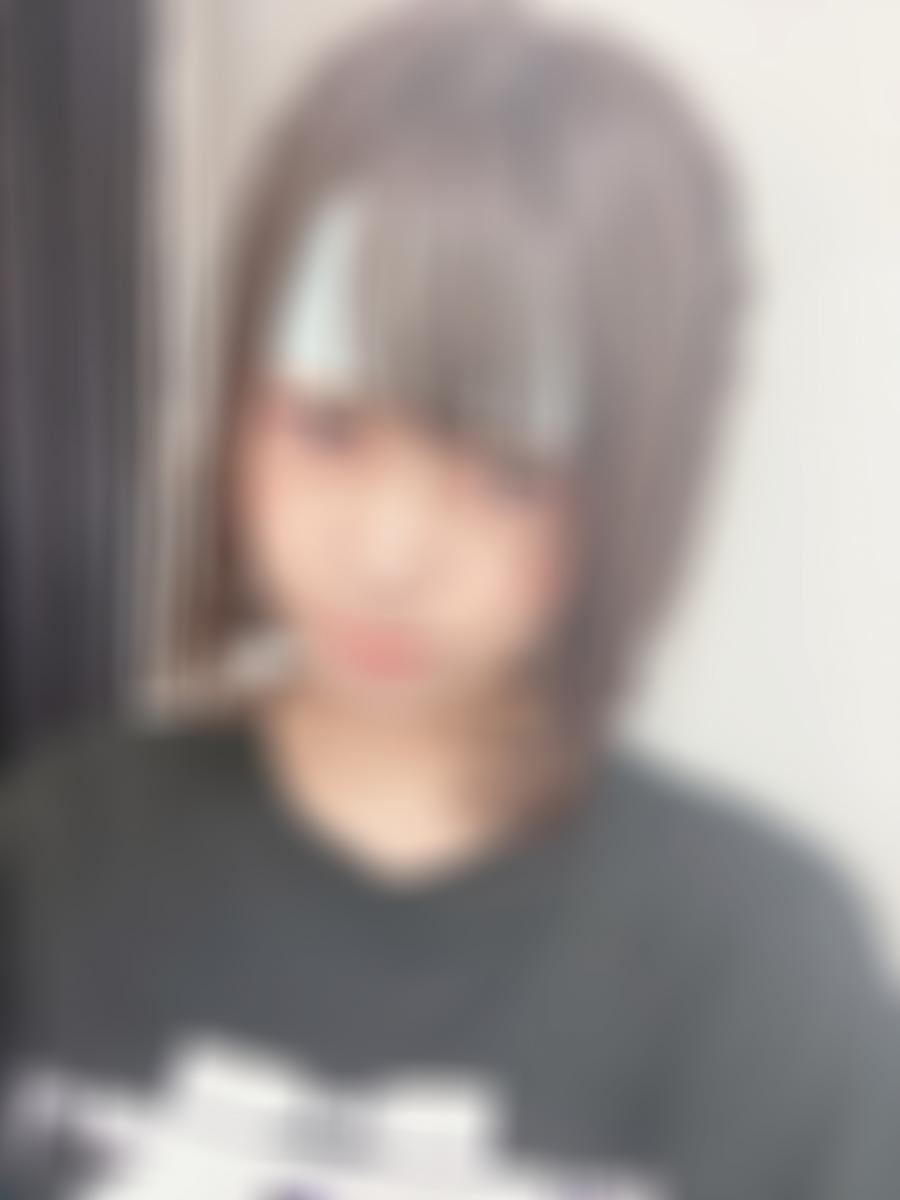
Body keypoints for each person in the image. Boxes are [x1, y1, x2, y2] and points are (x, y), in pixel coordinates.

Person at [1, 2, 897, 1196]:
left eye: (506, 474)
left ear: (637, 480)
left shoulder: (764, 962)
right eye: (328, 428)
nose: (389, 551)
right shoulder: (57, 855)